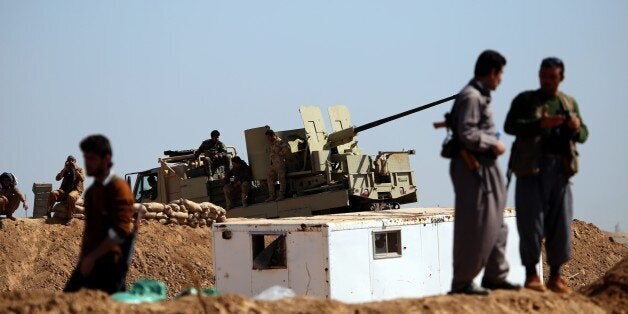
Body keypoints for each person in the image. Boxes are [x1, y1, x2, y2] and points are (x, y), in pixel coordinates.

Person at [505, 57, 588, 293]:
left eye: (552, 77)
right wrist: (540, 124)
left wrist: (575, 127)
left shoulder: (568, 103)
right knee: (530, 222)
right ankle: (531, 274)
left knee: (560, 222)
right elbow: (511, 125)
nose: (547, 81)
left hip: (560, 170)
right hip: (531, 169)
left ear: (561, 78)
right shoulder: (525, 100)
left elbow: (583, 135)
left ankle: (557, 275)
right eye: (543, 76)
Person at [448, 50, 519, 295]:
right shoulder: (471, 97)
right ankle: (463, 282)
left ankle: (496, 275)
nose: (501, 80)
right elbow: (467, 134)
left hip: (485, 166)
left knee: (497, 222)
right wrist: (493, 143)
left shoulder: (478, 96)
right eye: (500, 74)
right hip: (473, 167)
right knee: (476, 225)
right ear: (492, 73)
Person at [64, 134, 135, 294]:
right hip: (89, 264)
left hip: (108, 266)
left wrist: (93, 257)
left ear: (106, 159)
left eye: (92, 158)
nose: (87, 163)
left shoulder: (119, 189)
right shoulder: (92, 192)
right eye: (86, 158)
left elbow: (120, 231)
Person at [47, 155, 85, 223]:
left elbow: (82, 179)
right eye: (69, 160)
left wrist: (75, 168)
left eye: (72, 161)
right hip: (64, 191)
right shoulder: (66, 169)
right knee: (53, 193)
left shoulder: (79, 169)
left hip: (75, 191)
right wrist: (64, 168)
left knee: (71, 196)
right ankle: (48, 212)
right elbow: (57, 178)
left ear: (75, 161)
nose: (70, 162)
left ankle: (70, 217)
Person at [265, 129, 290, 202]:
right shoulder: (272, 143)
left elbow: (287, 148)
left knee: (281, 178)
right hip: (274, 165)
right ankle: (272, 196)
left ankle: (281, 195)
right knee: (269, 177)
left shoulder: (279, 141)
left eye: (268, 137)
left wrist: (280, 155)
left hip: (280, 164)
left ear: (273, 136)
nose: (268, 139)